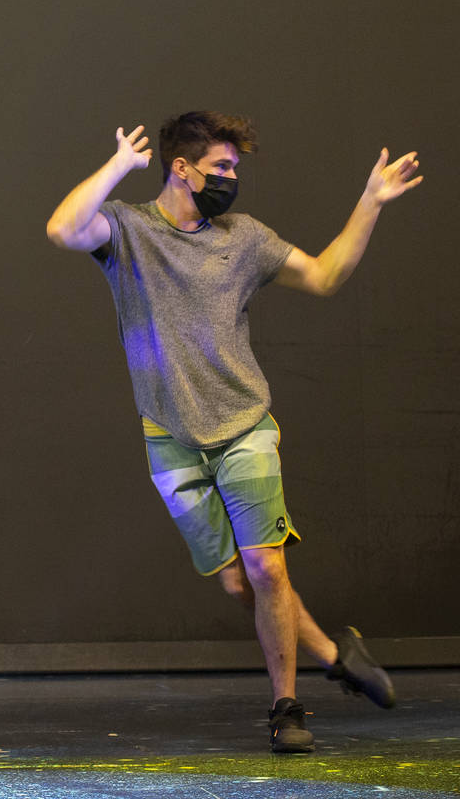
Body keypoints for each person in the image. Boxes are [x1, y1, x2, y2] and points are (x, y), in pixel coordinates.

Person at [46, 112, 421, 753]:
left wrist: (370, 203)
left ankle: (287, 708)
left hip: (245, 425)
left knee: (267, 569)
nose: (231, 178)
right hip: (168, 435)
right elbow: (63, 228)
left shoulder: (243, 238)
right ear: (181, 168)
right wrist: (116, 167)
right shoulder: (131, 231)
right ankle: (337, 656)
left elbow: (326, 276)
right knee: (236, 582)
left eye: (235, 169)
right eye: (221, 167)